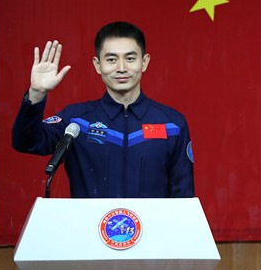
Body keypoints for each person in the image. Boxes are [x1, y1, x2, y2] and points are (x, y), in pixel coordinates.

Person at [12, 21, 194, 198]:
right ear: (97, 65)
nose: (121, 68)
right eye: (111, 60)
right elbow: (26, 141)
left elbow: (184, 198)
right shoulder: (76, 122)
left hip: (154, 229)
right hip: (88, 228)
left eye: (130, 59)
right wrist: (36, 93)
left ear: (144, 62)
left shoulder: (172, 124)